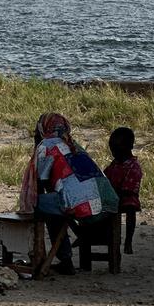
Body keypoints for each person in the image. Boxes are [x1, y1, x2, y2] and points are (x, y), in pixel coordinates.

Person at [19, 113, 119, 275]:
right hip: (106, 200)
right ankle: (63, 256)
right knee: (57, 203)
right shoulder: (73, 144)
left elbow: (42, 182)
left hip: (83, 205)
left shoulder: (46, 146)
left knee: (41, 205)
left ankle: (59, 259)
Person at [104, 127, 142, 254]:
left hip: (126, 196)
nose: (114, 152)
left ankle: (128, 241)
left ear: (129, 147)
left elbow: (130, 189)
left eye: (116, 149)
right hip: (112, 195)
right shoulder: (115, 164)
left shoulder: (133, 166)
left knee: (131, 208)